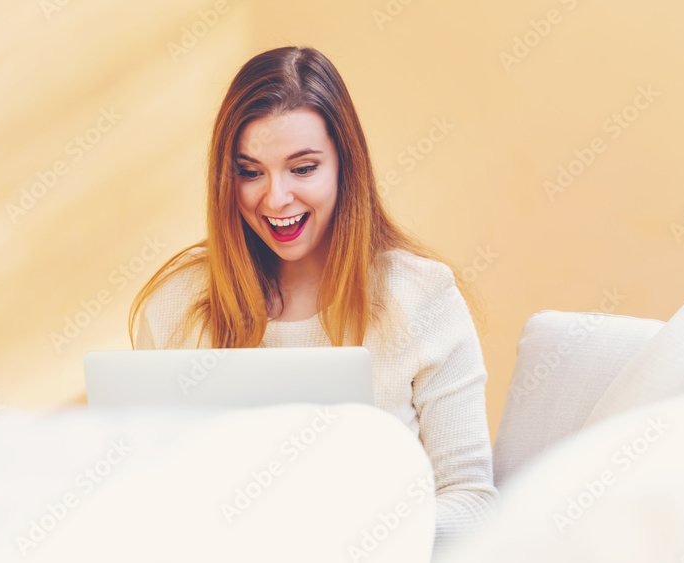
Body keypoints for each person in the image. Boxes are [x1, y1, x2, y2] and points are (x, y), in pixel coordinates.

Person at [128, 45, 497, 549]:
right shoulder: (176, 303)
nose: (275, 198)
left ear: (346, 166)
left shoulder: (422, 297)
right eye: (251, 171)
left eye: (303, 169)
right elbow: (145, 490)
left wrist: (357, 541)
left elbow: (471, 500)